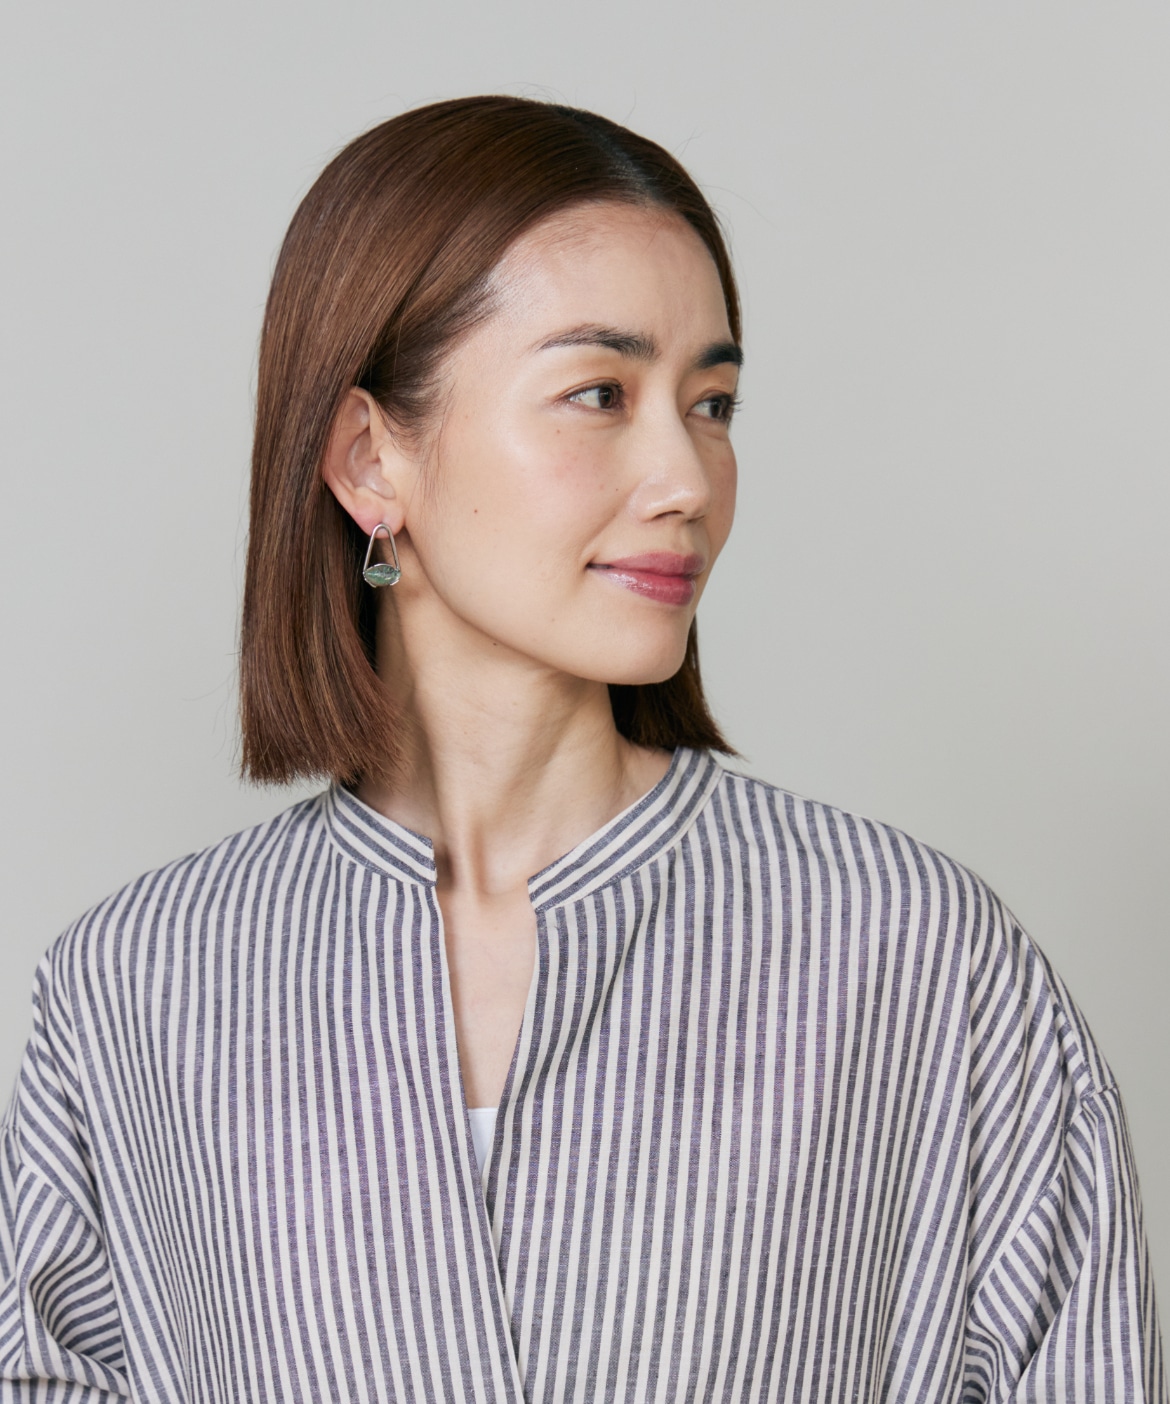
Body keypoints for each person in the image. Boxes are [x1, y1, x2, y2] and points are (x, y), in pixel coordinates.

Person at [0, 95, 1162, 1404]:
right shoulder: (138, 989)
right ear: (370, 460)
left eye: (712, 403)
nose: (687, 479)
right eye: (598, 393)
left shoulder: (914, 957)